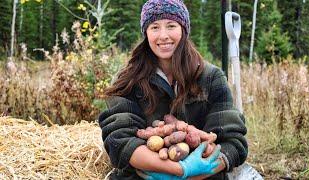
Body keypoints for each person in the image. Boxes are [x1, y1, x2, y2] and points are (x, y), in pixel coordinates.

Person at [98, 0, 248, 179]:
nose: (163, 36)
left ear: (184, 30)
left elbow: (233, 142)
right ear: (146, 32)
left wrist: (197, 173)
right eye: (154, 27)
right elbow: (119, 140)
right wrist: (179, 171)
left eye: (171, 26)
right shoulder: (128, 80)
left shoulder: (210, 77)